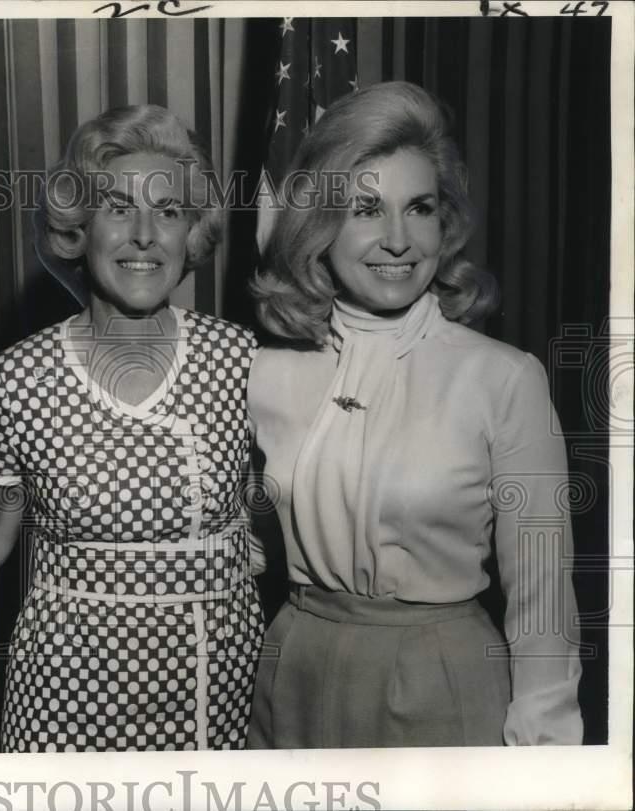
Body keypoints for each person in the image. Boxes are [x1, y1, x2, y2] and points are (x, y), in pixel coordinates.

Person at [247, 81, 583, 748]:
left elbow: (543, 598)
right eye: (366, 209)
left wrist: (547, 762)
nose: (398, 240)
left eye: (419, 208)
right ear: (321, 226)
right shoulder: (265, 372)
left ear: (444, 223)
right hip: (293, 675)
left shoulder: (504, 377)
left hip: (444, 684)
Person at [0, 104, 263, 752]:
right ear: (78, 227)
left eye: (167, 212)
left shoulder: (242, 360)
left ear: (191, 233)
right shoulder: (14, 378)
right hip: (66, 697)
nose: (143, 235)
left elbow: (281, 525)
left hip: (217, 690)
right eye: (117, 207)